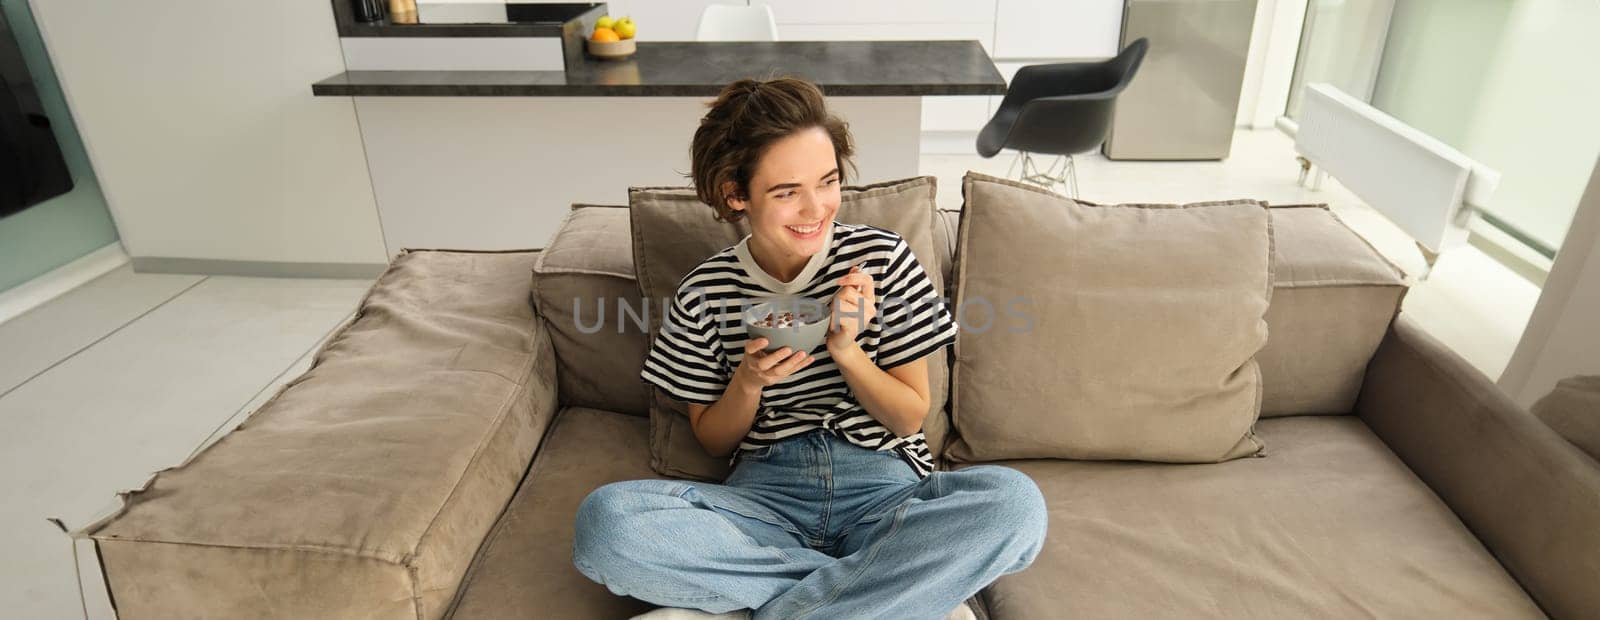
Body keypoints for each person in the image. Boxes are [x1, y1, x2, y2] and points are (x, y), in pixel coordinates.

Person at [572, 76, 1047, 620]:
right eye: (786, 192)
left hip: (886, 492)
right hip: (763, 500)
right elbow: (711, 439)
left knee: (1015, 504)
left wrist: (849, 351)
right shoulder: (704, 291)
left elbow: (908, 416)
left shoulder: (883, 260)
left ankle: (787, 604)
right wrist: (748, 381)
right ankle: (872, 594)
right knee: (606, 524)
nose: (815, 207)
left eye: (827, 182)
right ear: (735, 194)